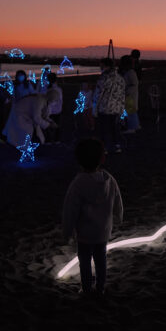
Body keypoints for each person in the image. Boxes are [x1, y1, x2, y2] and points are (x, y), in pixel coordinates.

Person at [62, 138, 123, 296]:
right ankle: (100, 287)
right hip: (103, 230)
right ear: (102, 158)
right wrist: (119, 215)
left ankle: (87, 289)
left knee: (84, 262)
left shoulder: (78, 184)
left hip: (85, 233)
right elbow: (117, 199)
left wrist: (68, 232)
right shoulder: (109, 179)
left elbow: (70, 210)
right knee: (101, 260)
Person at [93, 58, 126, 153]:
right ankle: (117, 145)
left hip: (104, 107)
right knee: (115, 127)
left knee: (104, 129)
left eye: (101, 65)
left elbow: (98, 94)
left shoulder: (104, 77)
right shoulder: (120, 78)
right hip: (116, 107)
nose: (100, 67)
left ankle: (104, 148)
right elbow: (122, 94)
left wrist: (95, 107)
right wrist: (122, 107)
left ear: (105, 66)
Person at [120, 55, 140, 133]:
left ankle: (132, 127)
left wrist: (127, 92)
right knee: (131, 112)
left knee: (130, 112)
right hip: (130, 95)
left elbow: (134, 84)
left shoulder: (130, 73)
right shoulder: (130, 72)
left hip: (129, 95)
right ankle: (135, 126)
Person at [43, 72, 63, 143]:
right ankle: (56, 139)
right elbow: (60, 99)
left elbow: (45, 99)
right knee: (57, 125)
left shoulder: (46, 88)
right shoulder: (58, 89)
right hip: (57, 110)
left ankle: (48, 139)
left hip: (50, 110)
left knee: (48, 125)